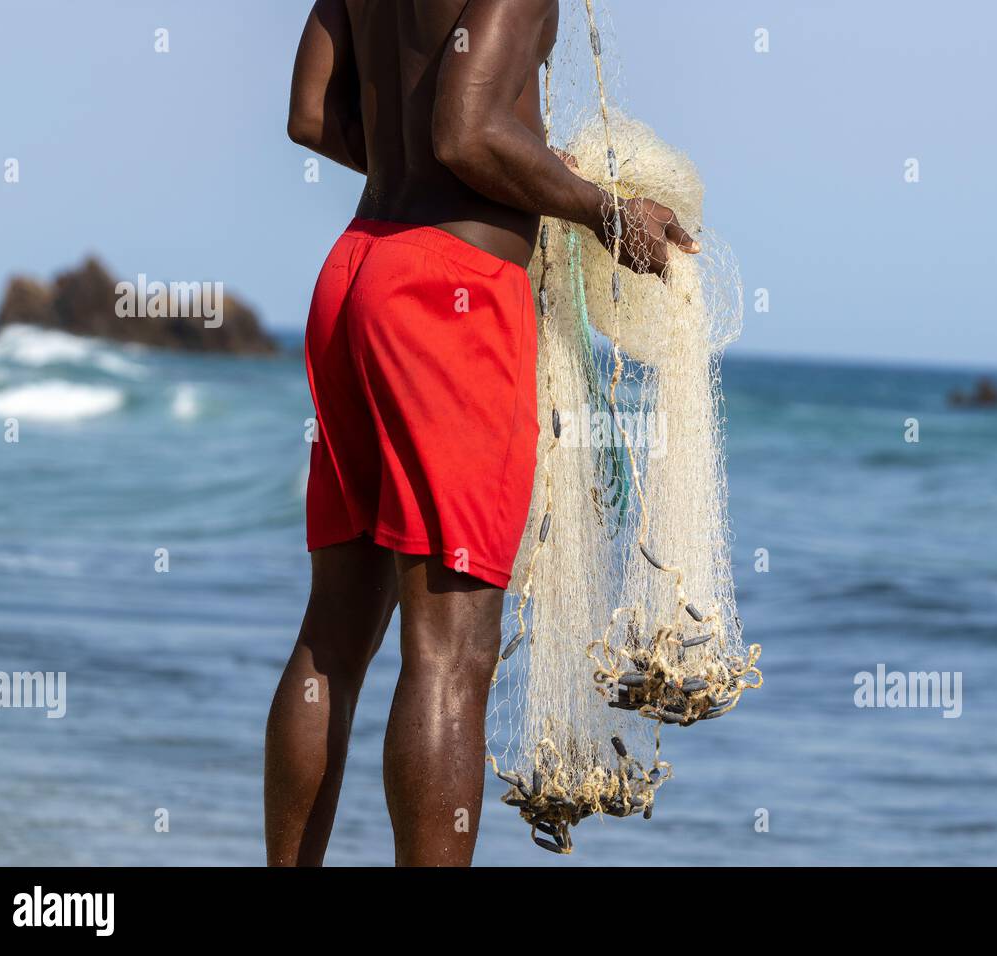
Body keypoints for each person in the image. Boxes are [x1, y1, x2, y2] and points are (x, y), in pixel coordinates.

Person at [264, 0, 698, 866]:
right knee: (452, 655)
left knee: (334, 636)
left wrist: (508, 172)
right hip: (446, 300)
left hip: (356, 273)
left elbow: (311, 113)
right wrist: (602, 212)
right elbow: (468, 132)